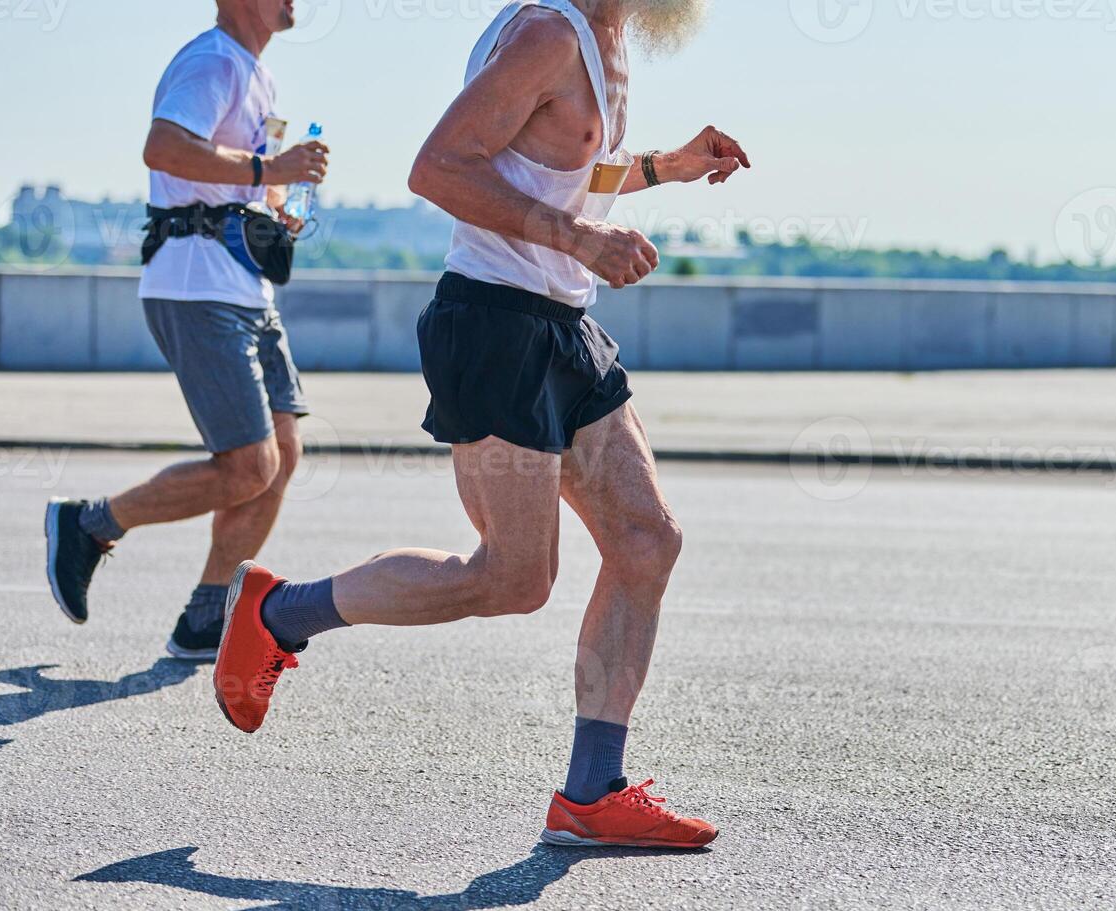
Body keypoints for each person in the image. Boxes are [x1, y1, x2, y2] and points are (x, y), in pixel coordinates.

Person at [212, 0, 748, 849]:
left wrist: (665, 167)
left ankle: (591, 791)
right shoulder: (546, 34)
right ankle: (279, 615)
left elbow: (563, 171)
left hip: (566, 327)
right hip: (494, 326)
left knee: (647, 541)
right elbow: (440, 169)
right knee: (511, 578)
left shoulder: (610, 42)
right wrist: (579, 239)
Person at [44, 0, 330, 661]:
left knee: (281, 460)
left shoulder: (258, 74)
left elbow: (216, 174)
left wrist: (273, 205)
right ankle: (89, 524)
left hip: (244, 287)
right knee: (247, 466)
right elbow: (165, 147)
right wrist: (269, 171)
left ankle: (205, 618)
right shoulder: (212, 60)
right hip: (196, 287)